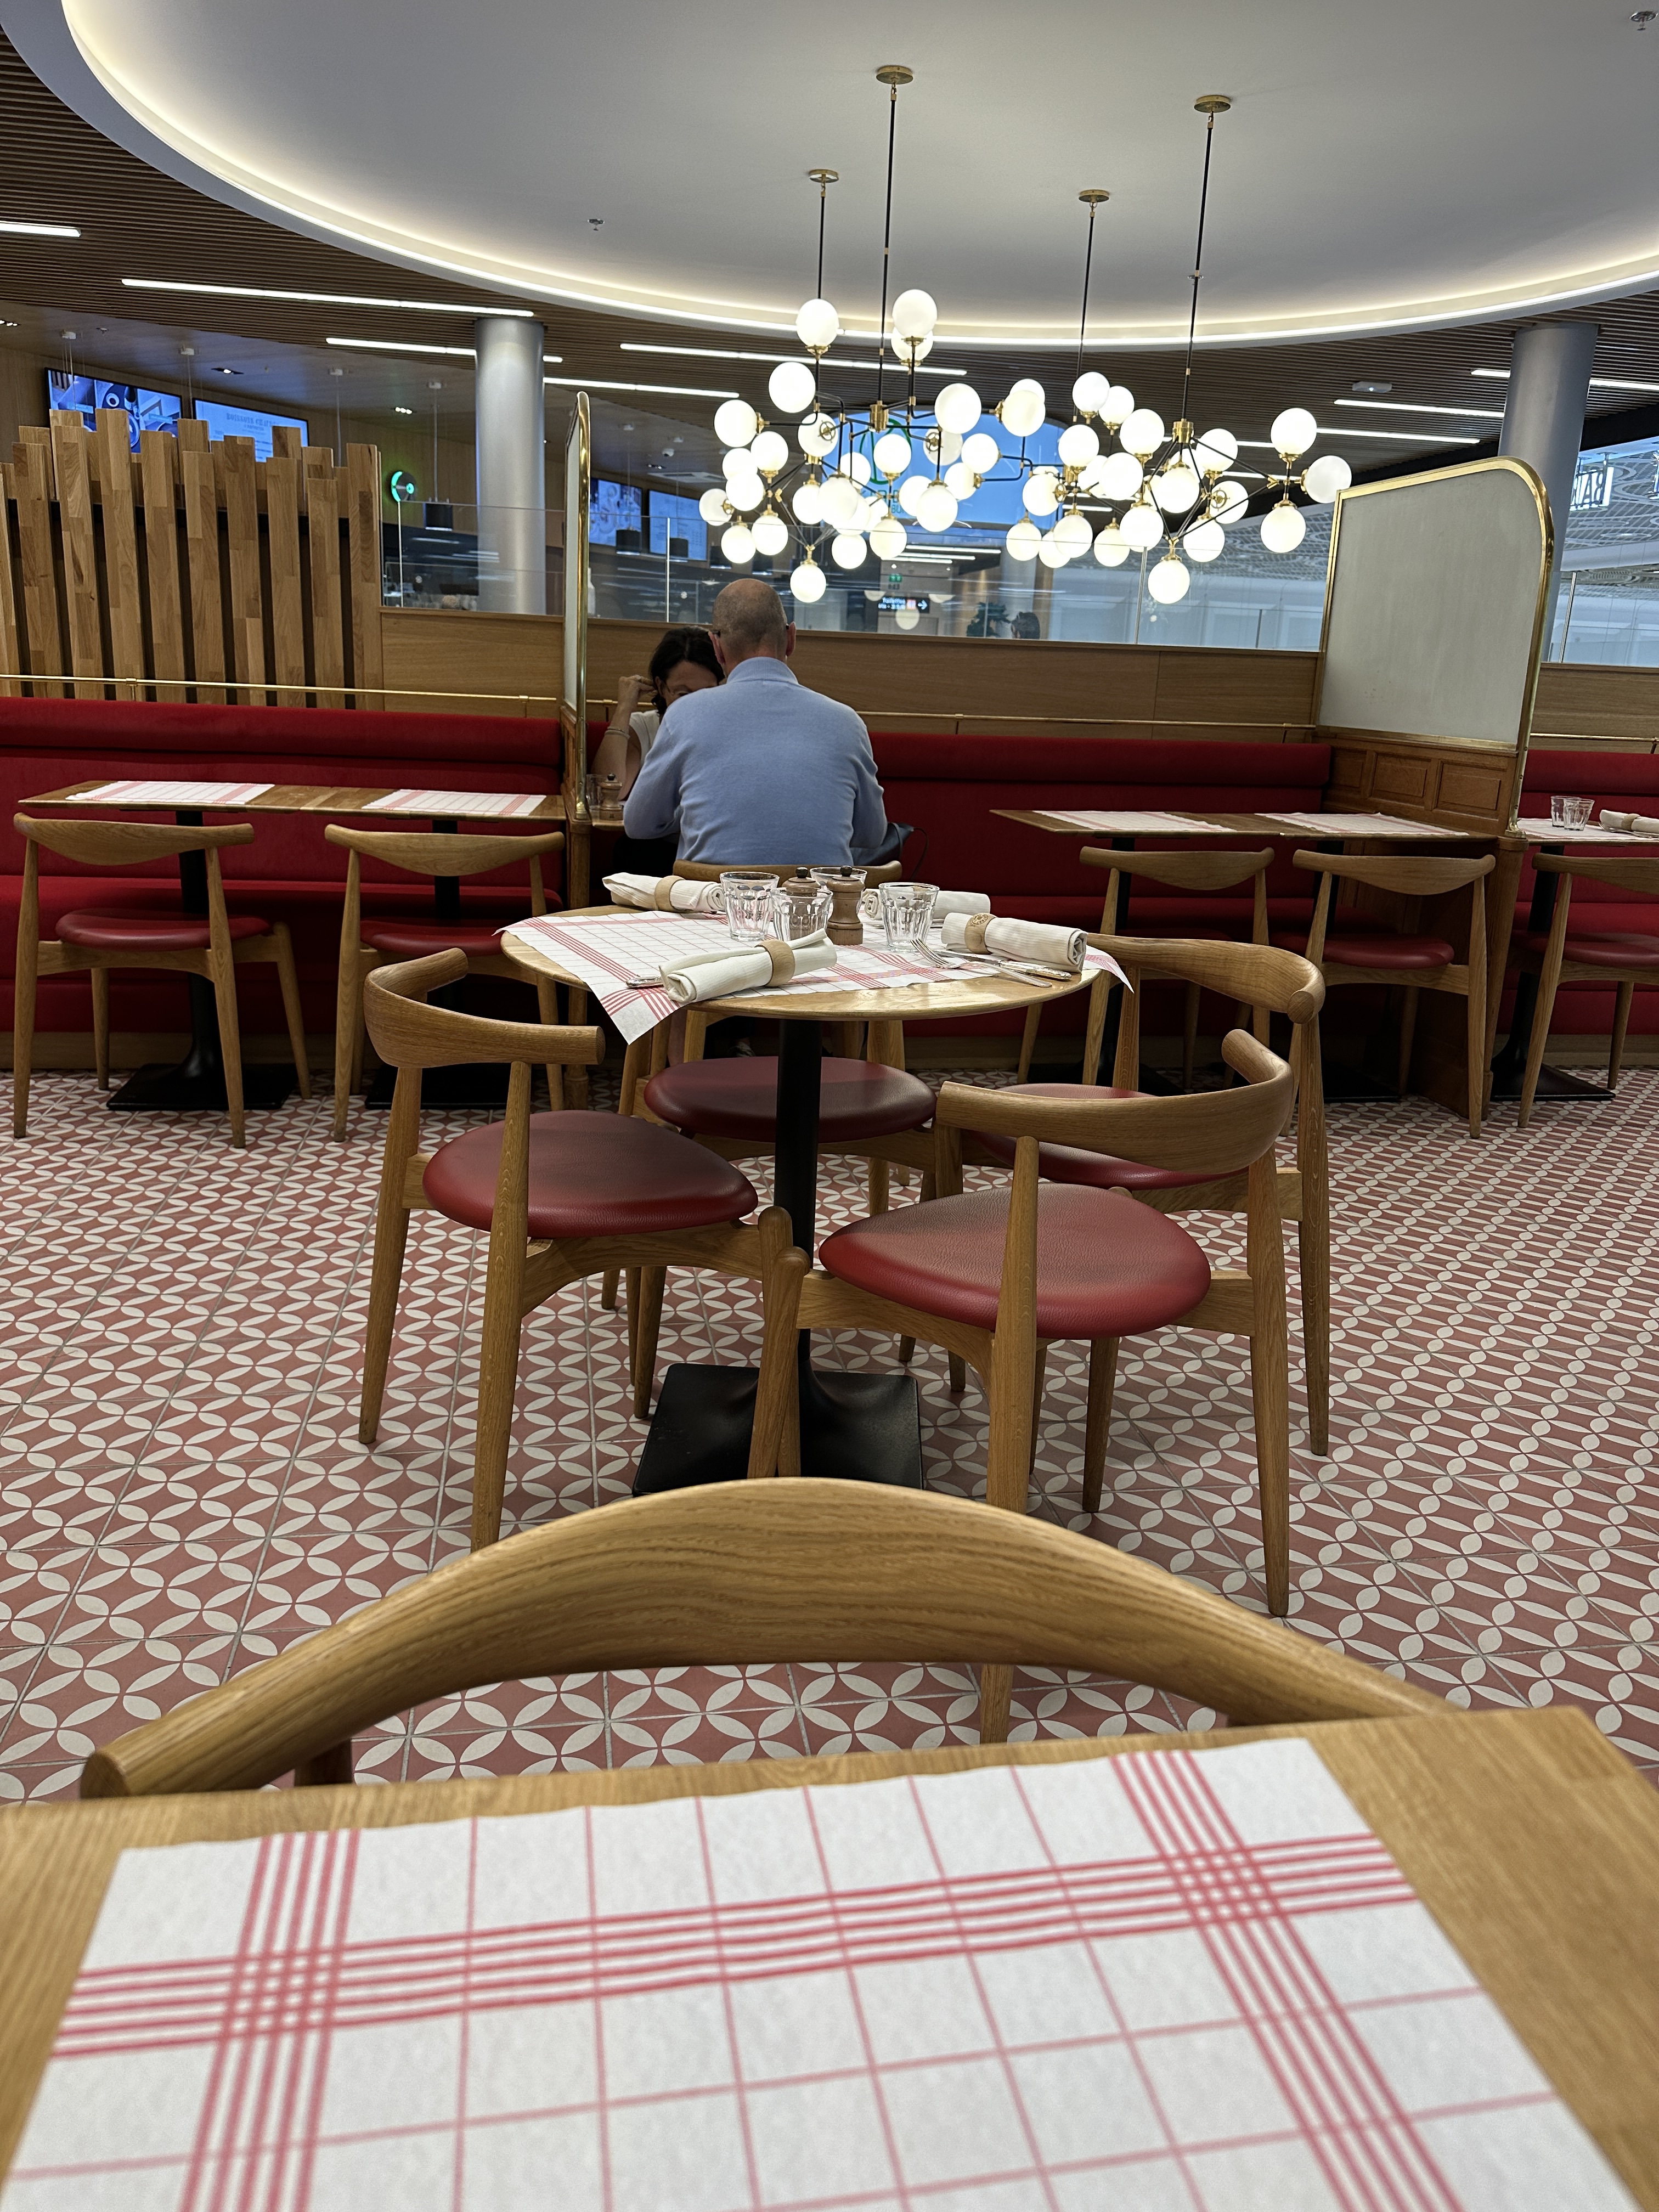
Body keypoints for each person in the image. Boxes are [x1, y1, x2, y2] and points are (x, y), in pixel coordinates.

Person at [623, 578, 888, 866]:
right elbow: (873, 834)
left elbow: (638, 824)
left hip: (715, 895)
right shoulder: (849, 723)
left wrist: (696, 812)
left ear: (717, 647)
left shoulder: (683, 715)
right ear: (791, 639)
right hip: (817, 896)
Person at [589, 624, 723, 797]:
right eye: (683, 694)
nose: (695, 705)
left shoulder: (727, 730)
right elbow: (610, 793)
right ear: (661, 687)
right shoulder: (644, 729)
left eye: (708, 693)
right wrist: (624, 708)